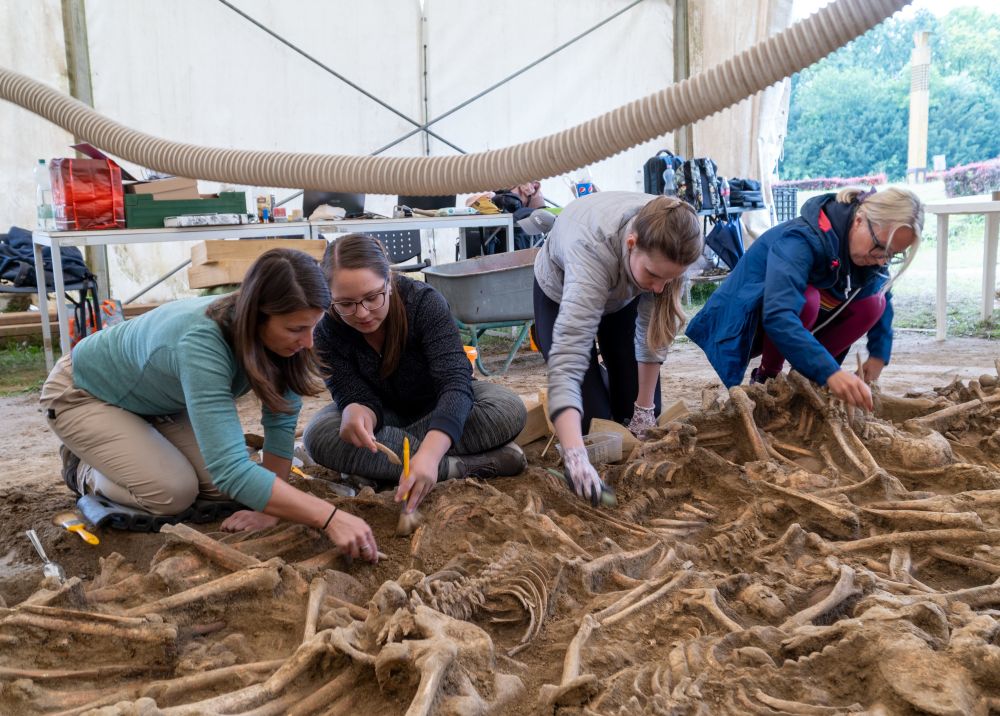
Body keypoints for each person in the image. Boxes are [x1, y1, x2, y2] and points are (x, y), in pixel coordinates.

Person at [39, 249, 380, 562]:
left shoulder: (280, 340)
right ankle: (83, 468)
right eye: (296, 329)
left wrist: (271, 511)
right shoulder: (202, 342)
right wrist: (330, 517)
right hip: (83, 393)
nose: (308, 342)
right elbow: (231, 469)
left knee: (232, 489)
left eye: (313, 327)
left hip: (155, 402)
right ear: (257, 315)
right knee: (172, 492)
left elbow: (280, 423)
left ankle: (136, 442)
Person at [303, 233, 528, 515]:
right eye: (346, 304)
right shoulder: (326, 328)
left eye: (372, 297)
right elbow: (350, 391)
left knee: (507, 408)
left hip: (440, 409)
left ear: (390, 280)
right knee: (318, 434)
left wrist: (429, 453)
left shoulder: (423, 303)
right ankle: (458, 467)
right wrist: (356, 409)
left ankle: (393, 468)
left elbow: (456, 384)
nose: (362, 313)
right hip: (385, 419)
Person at [533, 191, 704, 505]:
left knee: (637, 421)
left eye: (670, 279)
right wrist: (574, 455)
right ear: (631, 244)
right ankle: (590, 378)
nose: (659, 288)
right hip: (562, 293)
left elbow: (654, 330)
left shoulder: (670, 243)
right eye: (654, 275)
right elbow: (567, 362)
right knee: (596, 428)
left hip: (624, 292)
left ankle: (606, 386)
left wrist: (644, 411)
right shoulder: (590, 251)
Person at [686, 186, 924, 410]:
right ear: (859, 220)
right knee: (806, 300)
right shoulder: (800, 239)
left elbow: (881, 287)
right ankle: (768, 378)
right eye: (881, 247)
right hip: (749, 317)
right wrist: (832, 372)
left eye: (892, 255)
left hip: (803, 320)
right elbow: (779, 315)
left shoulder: (868, 252)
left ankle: (807, 379)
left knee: (874, 303)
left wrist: (878, 355)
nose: (883, 260)